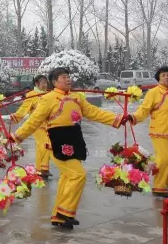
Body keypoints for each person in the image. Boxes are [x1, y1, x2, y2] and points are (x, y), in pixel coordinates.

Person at [10, 67, 124, 229]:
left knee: (66, 177)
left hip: (74, 138)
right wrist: (17, 136)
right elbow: (34, 121)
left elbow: (93, 112)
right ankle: (65, 213)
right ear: (55, 82)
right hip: (56, 141)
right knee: (78, 175)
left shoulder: (77, 97)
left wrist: (117, 119)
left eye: (68, 76)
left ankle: (59, 215)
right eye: (64, 77)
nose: (68, 79)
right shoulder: (48, 98)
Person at [124, 66, 168, 198]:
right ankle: (159, 187)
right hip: (160, 131)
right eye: (163, 75)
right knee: (165, 159)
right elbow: (144, 109)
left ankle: (165, 186)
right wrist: (134, 116)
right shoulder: (153, 93)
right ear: (159, 78)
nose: (167, 77)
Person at [10, 75, 52, 179]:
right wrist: (16, 116)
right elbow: (24, 108)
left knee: (40, 146)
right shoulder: (31, 95)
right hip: (36, 125)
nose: (45, 84)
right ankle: (44, 169)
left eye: (46, 82)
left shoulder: (49, 94)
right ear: (36, 84)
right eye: (43, 82)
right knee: (45, 144)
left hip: (49, 125)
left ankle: (39, 169)